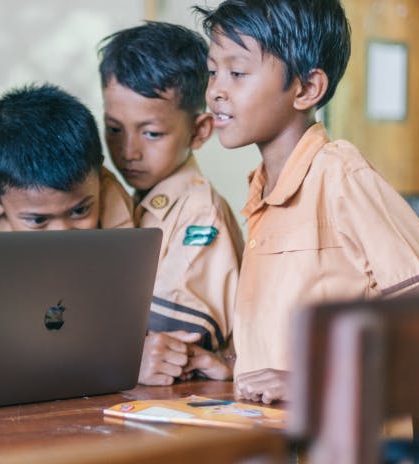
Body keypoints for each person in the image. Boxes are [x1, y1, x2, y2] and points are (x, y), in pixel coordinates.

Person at [195, 0, 419, 403]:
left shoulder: (341, 176)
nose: (215, 91)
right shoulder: (262, 191)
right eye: (212, 72)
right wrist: (234, 364)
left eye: (237, 72)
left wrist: (312, 381)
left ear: (307, 88)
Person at [98, 22, 243, 386]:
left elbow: (171, 346)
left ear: (200, 131)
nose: (128, 151)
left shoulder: (199, 213)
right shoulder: (122, 200)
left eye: (151, 133)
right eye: (114, 129)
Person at [0, 84, 133, 232]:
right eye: (37, 221)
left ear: (99, 178)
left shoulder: (118, 212)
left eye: (80, 211)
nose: (62, 234)